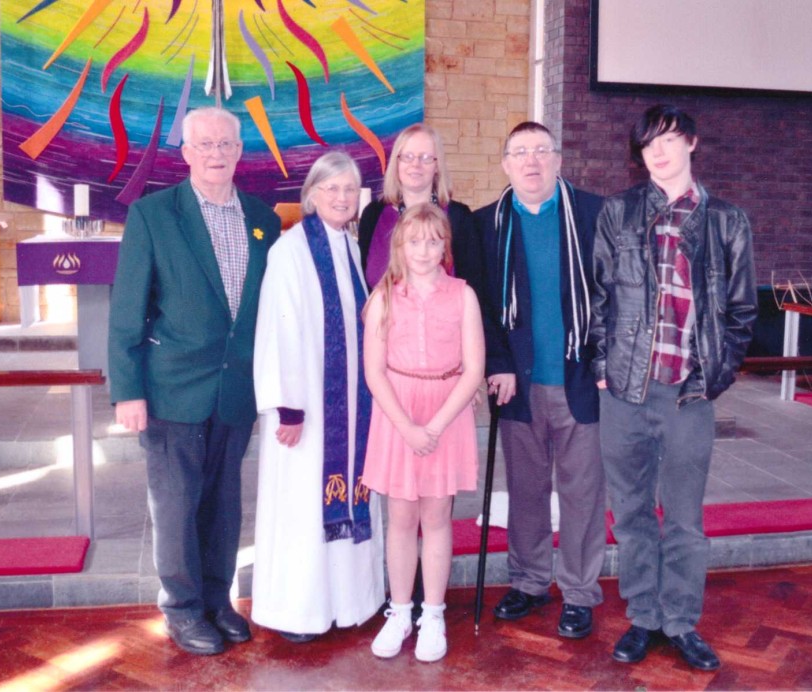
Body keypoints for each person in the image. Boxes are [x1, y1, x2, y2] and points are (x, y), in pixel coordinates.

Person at [107, 106, 281, 655]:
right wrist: (128, 391)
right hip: (172, 388)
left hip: (235, 389)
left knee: (224, 505)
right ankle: (182, 610)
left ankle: (217, 600)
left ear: (239, 151)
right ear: (185, 153)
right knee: (177, 505)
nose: (215, 153)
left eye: (225, 143)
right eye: (204, 144)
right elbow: (127, 310)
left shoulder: (264, 219)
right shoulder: (154, 215)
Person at [591, 104, 757, 671]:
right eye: (647, 145)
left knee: (684, 518)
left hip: (688, 393)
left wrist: (715, 376)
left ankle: (681, 621)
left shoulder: (728, 221)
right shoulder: (618, 212)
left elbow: (742, 312)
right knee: (632, 512)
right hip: (625, 391)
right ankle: (643, 615)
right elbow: (598, 295)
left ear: (691, 142)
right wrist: (602, 365)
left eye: (667, 140)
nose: (657, 153)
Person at [477, 121, 607, 640]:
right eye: (520, 152)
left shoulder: (595, 215)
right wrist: (497, 363)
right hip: (519, 384)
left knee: (583, 495)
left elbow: (616, 296)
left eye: (540, 150)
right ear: (505, 164)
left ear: (557, 159)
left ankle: (578, 592)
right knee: (526, 491)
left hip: (581, 379)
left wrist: (604, 364)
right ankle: (529, 582)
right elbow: (481, 305)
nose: (531, 161)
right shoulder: (487, 225)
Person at [251, 150, 385, 642]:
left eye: (350, 189)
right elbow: (278, 328)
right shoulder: (290, 251)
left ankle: (350, 603)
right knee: (302, 507)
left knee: (347, 493)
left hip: (350, 407)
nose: (342, 197)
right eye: (332, 188)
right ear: (312, 195)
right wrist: (288, 406)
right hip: (305, 409)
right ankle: (300, 612)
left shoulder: (349, 246)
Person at [362, 203, 485, 663]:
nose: (424, 250)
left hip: (445, 414)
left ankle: (432, 614)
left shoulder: (463, 296)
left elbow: (473, 369)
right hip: (397, 414)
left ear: (445, 247)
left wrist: (433, 426)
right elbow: (374, 372)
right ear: (399, 245)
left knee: (436, 518)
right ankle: (399, 612)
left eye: (433, 242)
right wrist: (408, 427)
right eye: (414, 241)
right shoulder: (383, 297)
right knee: (400, 518)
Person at [358, 123, 484, 298]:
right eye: (408, 156)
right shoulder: (373, 215)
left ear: (437, 166)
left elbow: (475, 289)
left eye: (426, 157)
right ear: (396, 162)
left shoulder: (459, 218)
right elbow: (362, 288)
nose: (415, 164)